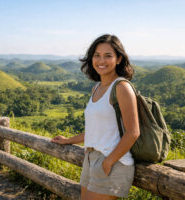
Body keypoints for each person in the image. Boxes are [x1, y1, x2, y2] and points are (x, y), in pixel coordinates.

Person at [51, 34, 140, 200]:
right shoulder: (97, 88)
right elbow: (95, 131)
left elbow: (133, 132)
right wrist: (68, 140)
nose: (101, 61)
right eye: (97, 55)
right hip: (91, 158)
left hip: (112, 160)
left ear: (119, 59)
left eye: (108, 56)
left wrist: (108, 162)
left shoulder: (121, 87)